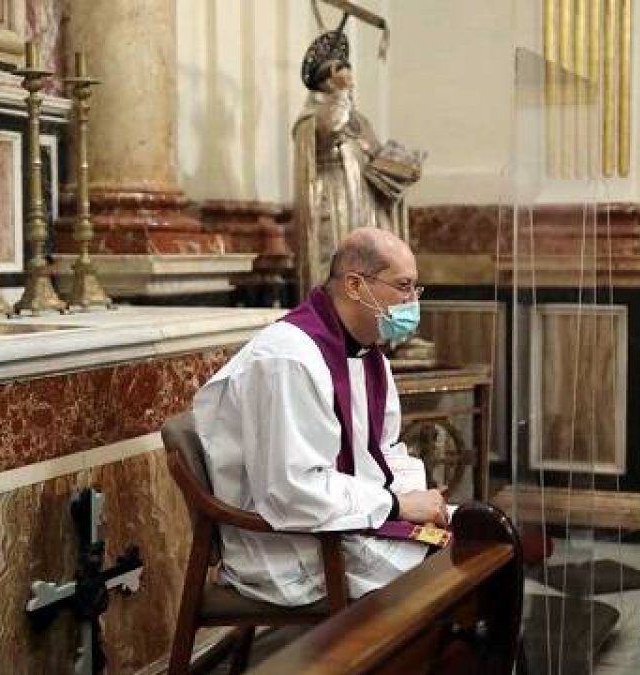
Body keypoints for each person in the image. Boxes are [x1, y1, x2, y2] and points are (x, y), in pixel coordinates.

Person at [192, 227, 447, 606]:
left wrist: (413, 500)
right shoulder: (288, 360)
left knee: (479, 539)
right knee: (450, 573)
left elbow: (384, 449)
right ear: (355, 285)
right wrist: (396, 506)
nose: (412, 302)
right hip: (292, 547)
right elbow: (291, 490)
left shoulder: (367, 355)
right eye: (403, 286)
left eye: (415, 289)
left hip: (346, 521)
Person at [292, 15, 422, 298]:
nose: (350, 78)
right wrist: (339, 96)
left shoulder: (359, 119)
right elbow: (329, 130)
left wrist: (397, 169)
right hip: (333, 201)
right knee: (339, 262)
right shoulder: (313, 117)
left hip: (363, 204)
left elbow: (374, 153)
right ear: (327, 78)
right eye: (342, 71)